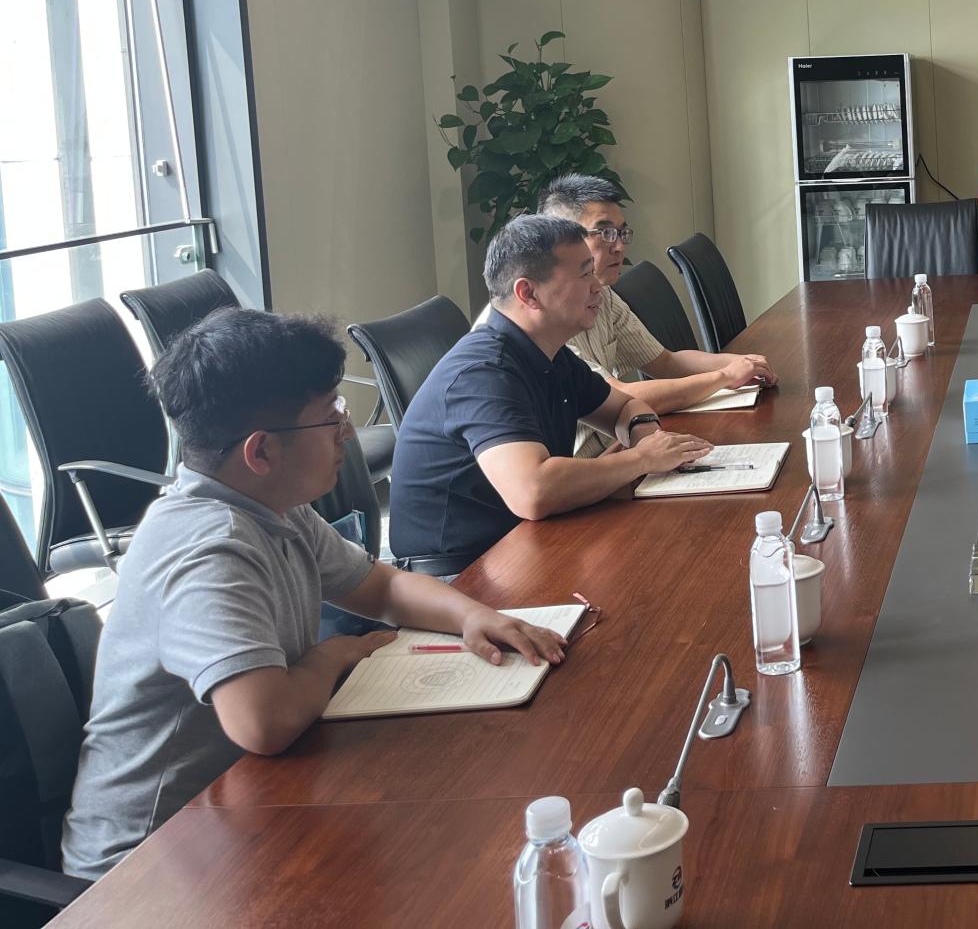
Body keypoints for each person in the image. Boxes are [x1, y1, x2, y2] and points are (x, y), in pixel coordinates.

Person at [62, 309, 568, 879]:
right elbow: (264, 723)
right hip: (143, 865)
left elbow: (383, 586)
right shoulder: (209, 551)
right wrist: (337, 653)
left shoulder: (270, 507)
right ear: (261, 453)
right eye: (331, 417)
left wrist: (471, 615)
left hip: (242, 805)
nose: (347, 432)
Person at [389, 214, 713, 573]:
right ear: (528, 293)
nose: (598, 287)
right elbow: (533, 491)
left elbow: (625, 407)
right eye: (584, 274)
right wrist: (641, 460)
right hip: (462, 572)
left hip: (523, 545)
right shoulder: (484, 372)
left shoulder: (549, 352)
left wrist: (646, 436)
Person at [525, 174, 775, 455]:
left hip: (620, 451)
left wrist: (741, 362)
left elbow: (665, 361)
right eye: (605, 234)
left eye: (622, 233)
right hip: (586, 469)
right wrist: (724, 376)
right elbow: (619, 397)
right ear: (561, 242)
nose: (619, 247)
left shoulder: (603, 294)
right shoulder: (540, 323)